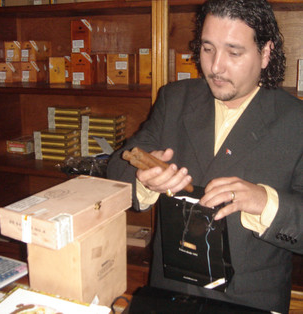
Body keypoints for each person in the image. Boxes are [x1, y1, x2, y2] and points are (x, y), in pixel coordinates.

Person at [107, 0, 303, 312]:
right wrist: (143, 181)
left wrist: (266, 202)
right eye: (207, 48)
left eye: (234, 52)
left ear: (266, 53)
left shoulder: (296, 121)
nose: (215, 66)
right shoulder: (174, 99)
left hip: (249, 301)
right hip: (169, 293)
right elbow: (117, 166)